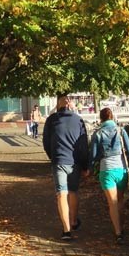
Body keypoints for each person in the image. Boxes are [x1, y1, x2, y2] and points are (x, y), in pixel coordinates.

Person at [89, 107, 129, 244]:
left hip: (106, 170)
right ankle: (121, 227)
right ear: (112, 117)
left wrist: (88, 169)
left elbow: (94, 156)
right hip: (122, 170)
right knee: (119, 201)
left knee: (111, 203)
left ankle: (118, 233)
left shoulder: (98, 133)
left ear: (101, 119)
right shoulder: (121, 130)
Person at [42, 94, 89, 241]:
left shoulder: (51, 120)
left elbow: (46, 142)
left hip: (59, 161)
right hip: (74, 162)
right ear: (70, 105)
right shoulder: (78, 120)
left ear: (58, 105)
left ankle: (66, 230)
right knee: (73, 192)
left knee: (61, 194)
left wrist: (53, 156)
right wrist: (85, 165)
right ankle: (74, 220)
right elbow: (83, 145)